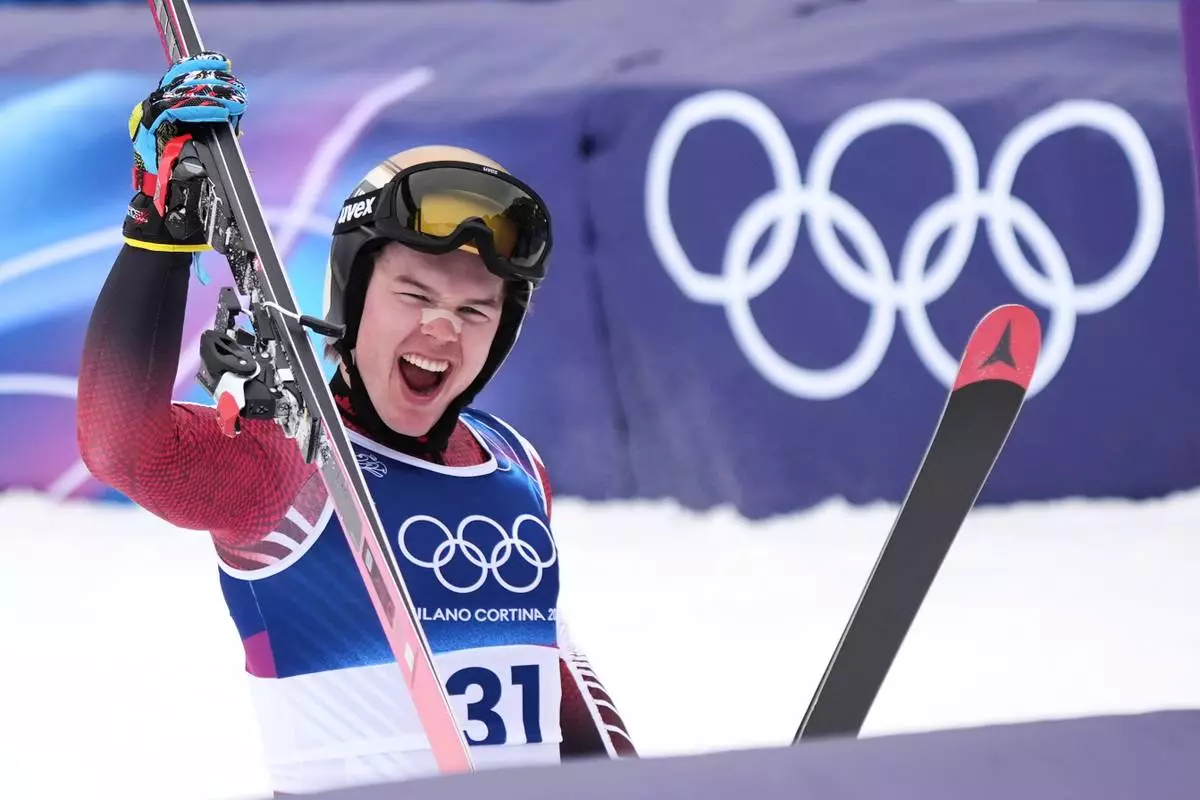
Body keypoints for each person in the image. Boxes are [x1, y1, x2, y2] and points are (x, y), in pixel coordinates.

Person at [76, 52, 635, 796]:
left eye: (476, 311)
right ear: (352, 298)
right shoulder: (289, 467)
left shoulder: (512, 463)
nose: (443, 330)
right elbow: (122, 446)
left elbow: (548, 670)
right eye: (414, 295)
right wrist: (158, 234)